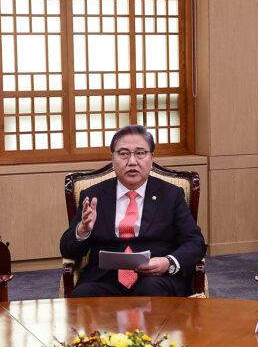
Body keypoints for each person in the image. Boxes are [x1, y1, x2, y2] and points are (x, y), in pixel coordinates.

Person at [59, 125, 206, 297]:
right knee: (83, 295)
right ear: (112, 159)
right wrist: (82, 231)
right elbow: (67, 249)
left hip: (156, 278)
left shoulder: (171, 194)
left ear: (151, 158)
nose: (132, 161)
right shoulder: (93, 196)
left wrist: (167, 262)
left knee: (150, 290)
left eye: (140, 153)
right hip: (105, 278)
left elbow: (195, 242)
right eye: (123, 153)